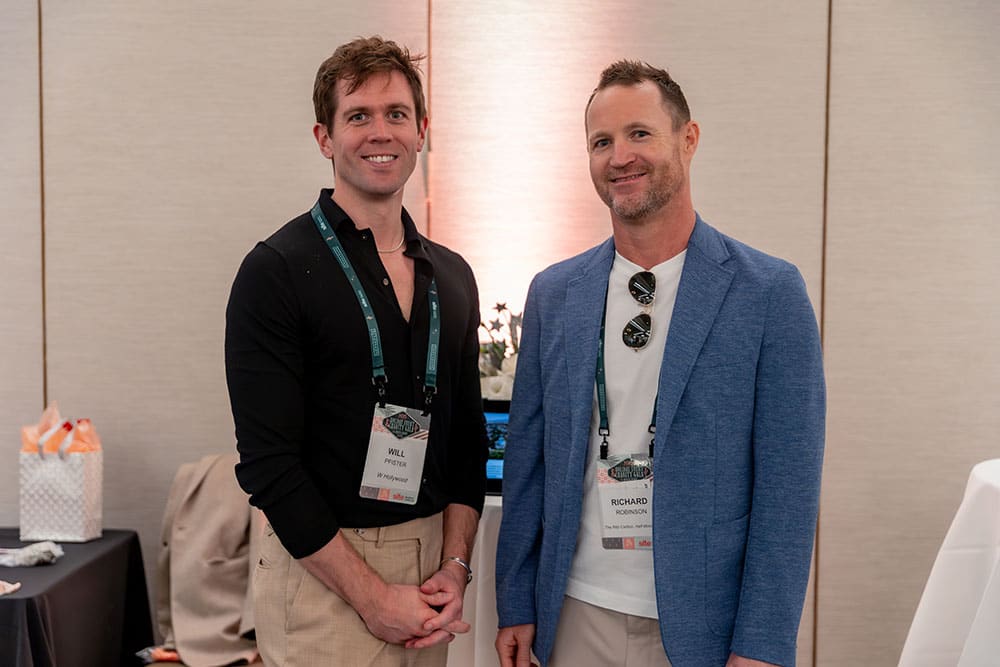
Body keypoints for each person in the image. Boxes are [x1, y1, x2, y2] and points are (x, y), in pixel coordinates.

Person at [494, 60, 825, 667]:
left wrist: (762, 644)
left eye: (639, 133)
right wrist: (515, 601)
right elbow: (528, 464)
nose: (620, 156)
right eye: (601, 142)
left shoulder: (769, 293)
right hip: (574, 613)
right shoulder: (555, 293)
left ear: (687, 139)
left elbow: (789, 488)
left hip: (705, 625)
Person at [225, 36, 487, 667]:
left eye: (397, 113)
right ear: (325, 137)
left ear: (421, 130)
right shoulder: (275, 271)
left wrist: (455, 567)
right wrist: (372, 597)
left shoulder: (453, 276)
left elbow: (466, 441)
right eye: (359, 115)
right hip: (323, 574)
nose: (380, 132)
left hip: (431, 574)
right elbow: (269, 466)